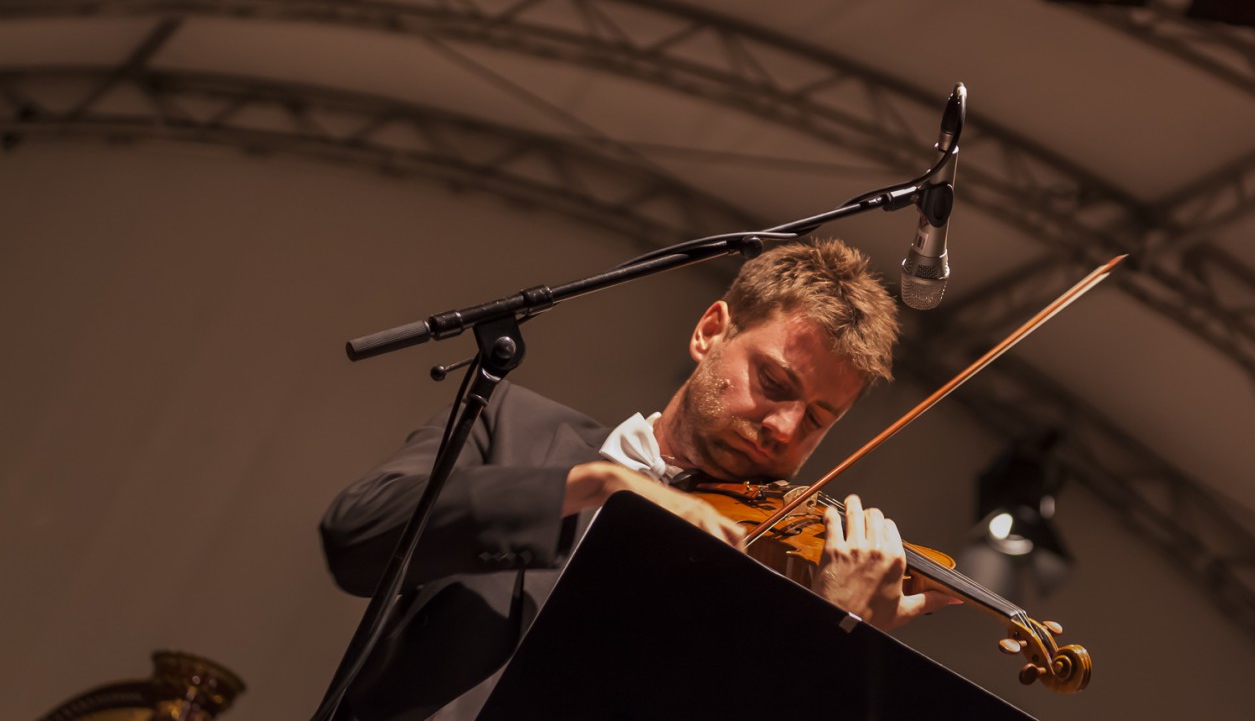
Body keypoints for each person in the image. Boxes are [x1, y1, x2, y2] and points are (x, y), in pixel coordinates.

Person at [319, 238, 958, 721]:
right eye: (774, 383)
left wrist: (835, 633)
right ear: (712, 332)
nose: (786, 428)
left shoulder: (777, 570)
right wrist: (597, 486)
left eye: (818, 418)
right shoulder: (514, 426)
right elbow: (356, 537)